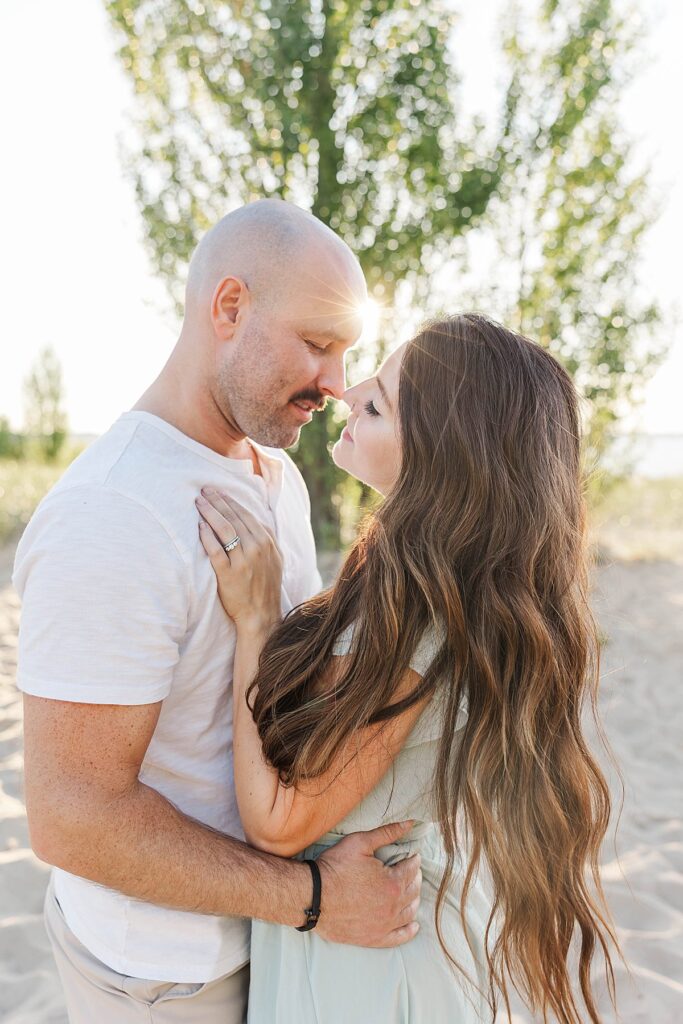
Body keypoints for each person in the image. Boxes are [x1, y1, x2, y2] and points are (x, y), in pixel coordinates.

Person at [12, 199, 423, 1024]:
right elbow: (71, 818)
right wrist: (309, 897)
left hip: (271, 947)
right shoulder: (112, 513)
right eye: (317, 344)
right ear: (229, 307)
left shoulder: (275, 474)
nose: (337, 384)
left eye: (346, 353)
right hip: (168, 976)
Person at [195, 314, 622, 1023]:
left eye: (376, 404)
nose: (346, 391)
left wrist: (256, 623)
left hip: (367, 968)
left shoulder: (416, 626)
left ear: (440, 459)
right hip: (384, 932)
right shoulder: (432, 584)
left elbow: (276, 826)